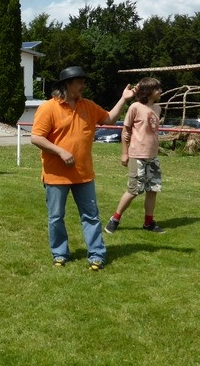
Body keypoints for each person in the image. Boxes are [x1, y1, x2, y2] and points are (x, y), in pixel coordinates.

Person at [31, 66, 134, 270]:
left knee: (91, 216)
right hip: (56, 175)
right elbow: (36, 137)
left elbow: (109, 119)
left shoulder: (88, 106)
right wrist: (60, 151)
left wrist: (123, 99)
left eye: (84, 82)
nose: (83, 85)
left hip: (84, 174)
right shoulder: (48, 108)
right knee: (56, 217)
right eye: (79, 82)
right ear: (67, 84)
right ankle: (60, 254)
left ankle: (97, 255)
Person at [105, 77, 166, 235]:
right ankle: (115, 219)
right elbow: (125, 131)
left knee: (152, 190)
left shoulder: (158, 108)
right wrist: (124, 153)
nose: (160, 91)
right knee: (133, 190)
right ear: (148, 91)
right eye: (157, 88)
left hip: (153, 156)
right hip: (137, 155)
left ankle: (148, 223)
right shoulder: (135, 107)